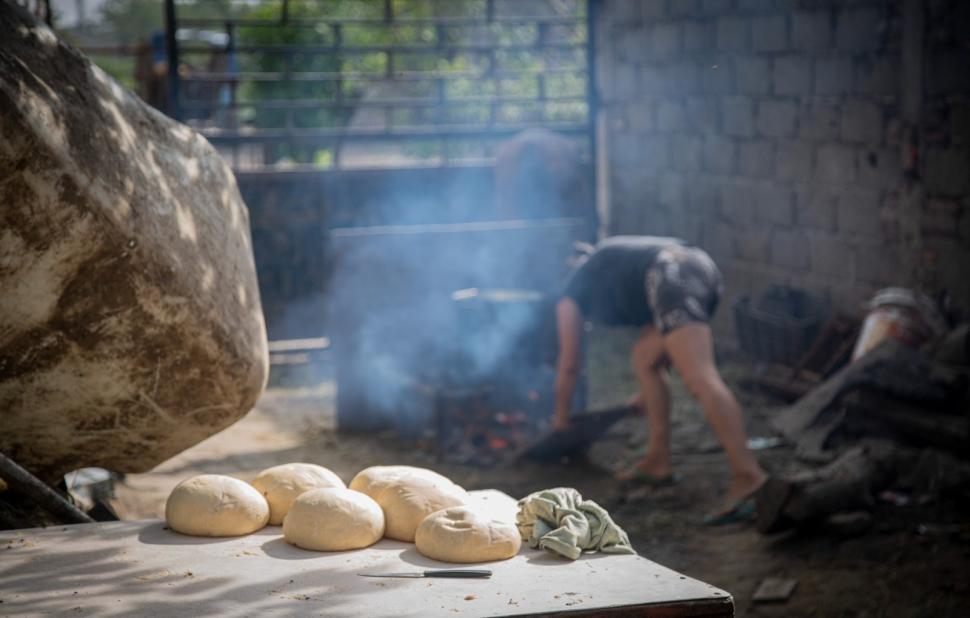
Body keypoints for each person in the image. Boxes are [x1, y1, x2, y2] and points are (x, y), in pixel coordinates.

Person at [552, 236, 766, 524]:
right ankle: (657, 460)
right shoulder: (605, 263)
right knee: (645, 360)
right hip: (696, 266)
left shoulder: (570, 292)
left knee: (700, 378)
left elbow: (569, 365)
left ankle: (749, 476)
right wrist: (645, 395)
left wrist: (561, 420)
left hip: (671, 274)